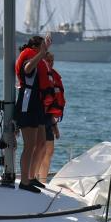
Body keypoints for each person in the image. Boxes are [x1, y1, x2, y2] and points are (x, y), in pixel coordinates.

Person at [14, 34, 52, 193]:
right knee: (29, 145)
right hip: (27, 102)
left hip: (37, 103)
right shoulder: (30, 56)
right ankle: (24, 181)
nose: (45, 49)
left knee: (41, 142)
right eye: (43, 46)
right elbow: (27, 69)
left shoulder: (38, 57)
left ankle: (31, 176)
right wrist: (42, 54)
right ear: (36, 47)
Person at [36, 52, 66, 182]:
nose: (51, 62)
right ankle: (33, 178)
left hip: (49, 118)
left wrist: (55, 126)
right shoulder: (39, 76)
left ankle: (42, 181)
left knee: (49, 151)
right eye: (48, 60)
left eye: (52, 60)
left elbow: (53, 102)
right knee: (39, 151)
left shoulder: (53, 76)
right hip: (38, 116)